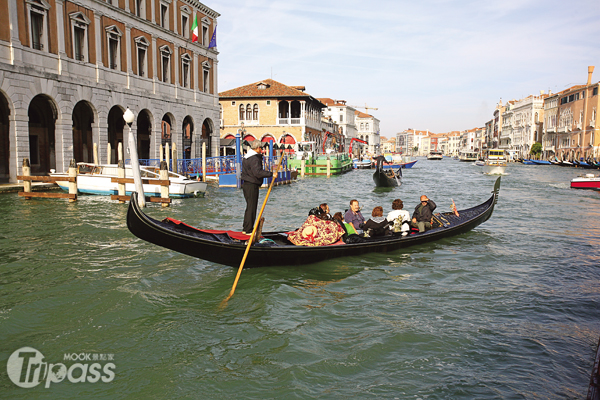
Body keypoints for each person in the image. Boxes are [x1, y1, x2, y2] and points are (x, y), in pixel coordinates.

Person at [241, 140, 278, 234]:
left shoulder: (247, 157)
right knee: (251, 207)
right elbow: (257, 172)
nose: (261, 150)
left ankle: (246, 228)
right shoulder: (254, 158)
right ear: (257, 148)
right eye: (261, 148)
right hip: (251, 184)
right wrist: (271, 174)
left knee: (249, 207)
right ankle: (248, 230)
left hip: (247, 184)